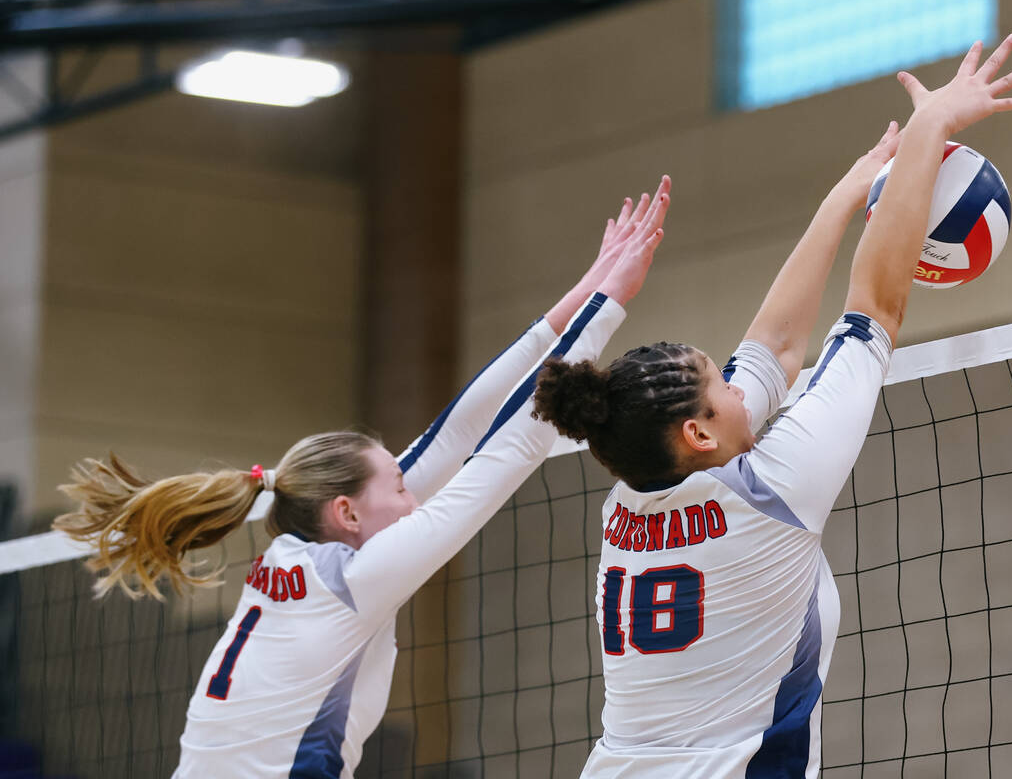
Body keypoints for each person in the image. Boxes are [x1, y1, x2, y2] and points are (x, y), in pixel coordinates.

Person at [533, 37, 1012, 778]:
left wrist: (849, 193)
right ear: (697, 432)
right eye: (723, 386)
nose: (741, 388)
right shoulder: (774, 492)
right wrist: (930, 129)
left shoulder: (628, 500)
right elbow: (875, 307)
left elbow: (773, 345)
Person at [52, 176, 672, 778]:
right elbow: (505, 452)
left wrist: (590, 288)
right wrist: (610, 304)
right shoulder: (356, 577)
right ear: (346, 512)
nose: (412, 495)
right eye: (398, 488)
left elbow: (453, 434)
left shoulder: (299, 558)